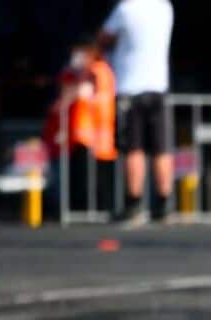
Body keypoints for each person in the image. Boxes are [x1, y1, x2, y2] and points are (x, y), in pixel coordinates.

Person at [98, 0, 174, 226]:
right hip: (158, 87)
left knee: (134, 148)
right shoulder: (164, 8)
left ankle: (135, 202)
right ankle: (163, 202)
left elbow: (103, 37)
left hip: (130, 87)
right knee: (162, 148)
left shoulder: (126, 8)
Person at [43, 38, 117, 213]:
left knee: (93, 175)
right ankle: (88, 207)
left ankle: (94, 208)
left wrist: (63, 100)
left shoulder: (97, 70)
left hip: (92, 131)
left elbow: (80, 90)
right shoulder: (88, 71)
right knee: (83, 174)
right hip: (84, 133)